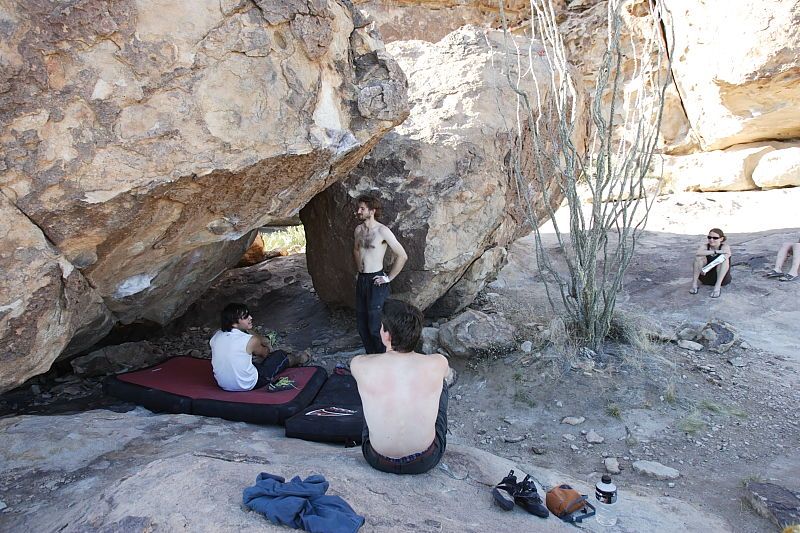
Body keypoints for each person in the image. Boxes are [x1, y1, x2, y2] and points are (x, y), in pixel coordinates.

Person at [350, 299, 450, 475]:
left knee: (370, 391)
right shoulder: (438, 362)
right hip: (425, 460)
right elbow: (447, 374)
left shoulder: (360, 365)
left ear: (387, 335)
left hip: (377, 458)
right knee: (441, 383)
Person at [210, 303, 309, 392]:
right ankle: (300, 359)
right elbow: (265, 353)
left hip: (223, 384)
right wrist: (264, 342)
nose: (251, 318)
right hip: (247, 384)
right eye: (245, 317)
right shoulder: (250, 340)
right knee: (279, 355)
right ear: (234, 323)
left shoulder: (216, 336)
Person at [353, 194, 408, 354]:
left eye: (362, 208)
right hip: (362, 280)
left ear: (372, 211)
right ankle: (372, 359)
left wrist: (388, 278)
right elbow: (356, 250)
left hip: (376, 281)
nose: (358, 211)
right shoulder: (358, 230)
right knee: (362, 326)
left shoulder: (382, 231)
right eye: (359, 208)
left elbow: (402, 255)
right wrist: (359, 270)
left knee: (375, 327)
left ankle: (385, 360)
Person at [690, 227, 732, 298]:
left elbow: (726, 255)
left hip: (721, 278)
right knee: (698, 258)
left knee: (723, 260)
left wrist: (707, 268)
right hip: (705, 277)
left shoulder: (725, 247)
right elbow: (698, 253)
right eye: (709, 237)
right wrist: (716, 251)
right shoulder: (705, 246)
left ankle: (717, 287)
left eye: (715, 238)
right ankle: (694, 284)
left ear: (721, 239)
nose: (711, 240)